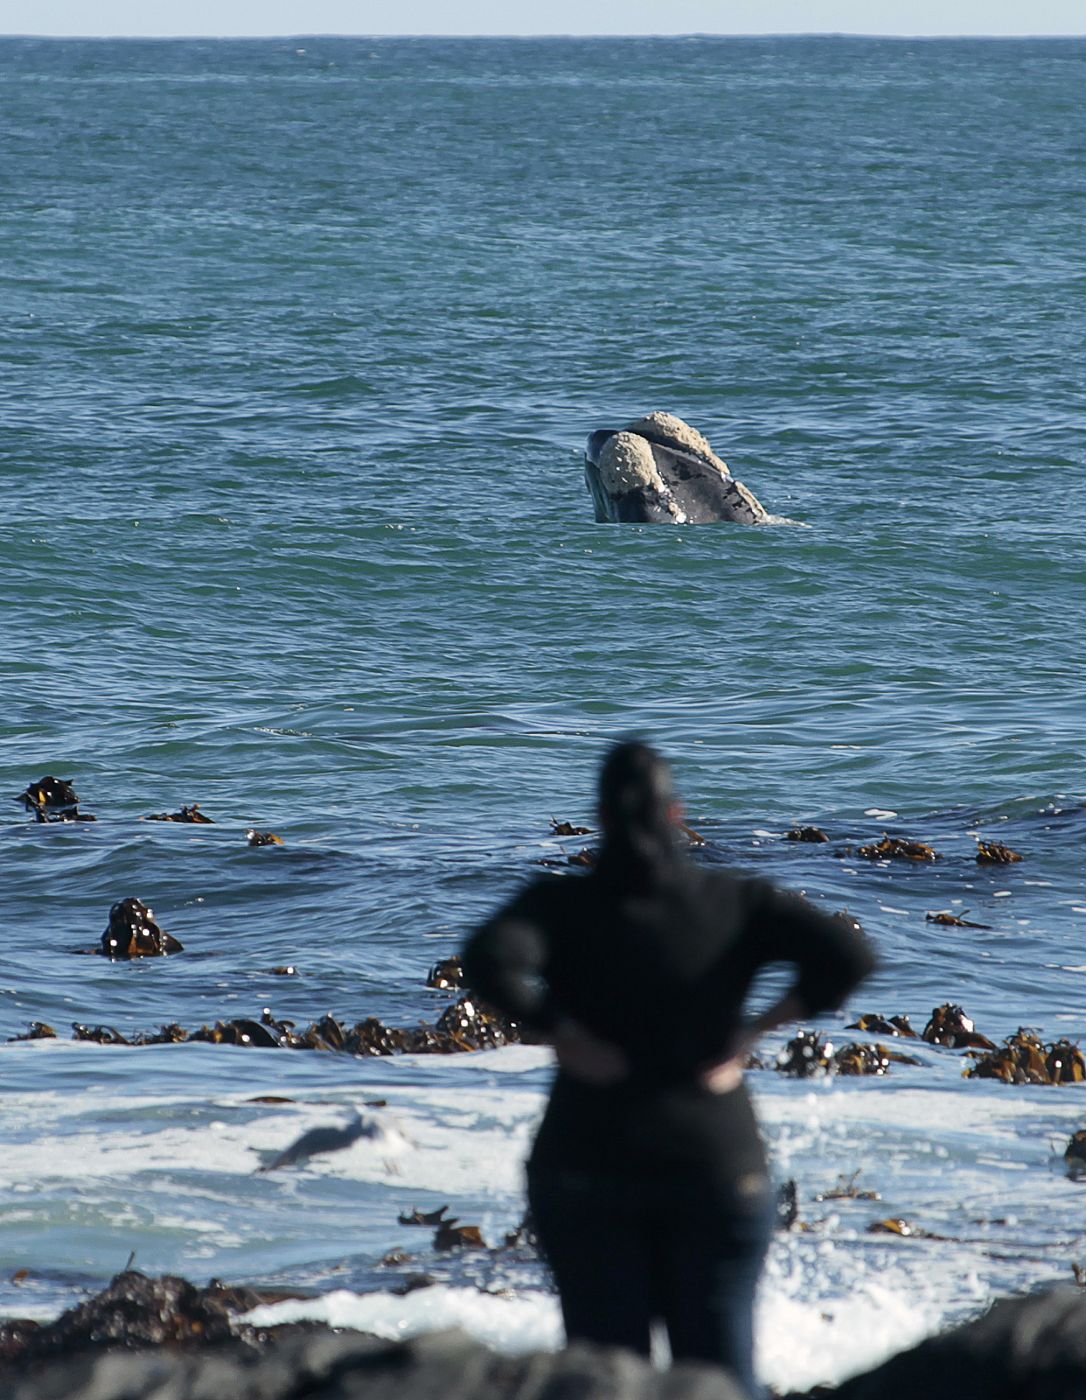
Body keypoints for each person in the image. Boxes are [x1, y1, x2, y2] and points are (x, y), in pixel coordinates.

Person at [462, 741, 875, 1398]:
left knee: (605, 1379)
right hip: (714, 1164)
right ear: (678, 816)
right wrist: (752, 1033)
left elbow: (487, 960)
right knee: (721, 1378)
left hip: (588, 1164)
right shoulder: (735, 903)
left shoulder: (560, 908)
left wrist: (563, 1034)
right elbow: (850, 955)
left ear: (600, 817)